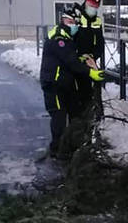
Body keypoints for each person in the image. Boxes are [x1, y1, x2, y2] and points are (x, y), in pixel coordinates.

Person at [39, 8, 105, 159]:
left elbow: (72, 59)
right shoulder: (59, 39)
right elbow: (70, 61)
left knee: (74, 112)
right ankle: (57, 149)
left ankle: (70, 145)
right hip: (53, 85)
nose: (74, 25)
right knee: (59, 116)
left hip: (64, 84)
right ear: (63, 21)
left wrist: (81, 59)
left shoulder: (67, 38)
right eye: (70, 22)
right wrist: (90, 73)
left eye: (75, 22)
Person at [74, 0, 105, 114]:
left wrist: (92, 56)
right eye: (91, 6)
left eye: (95, 7)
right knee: (75, 96)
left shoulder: (97, 21)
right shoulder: (75, 17)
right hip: (74, 62)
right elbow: (69, 40)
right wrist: (78, 57)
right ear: (86, 2)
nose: (93, 9)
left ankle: (92, 122)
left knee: (92, 96)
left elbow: (100, 44)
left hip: (90, 62)